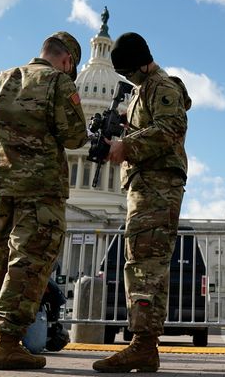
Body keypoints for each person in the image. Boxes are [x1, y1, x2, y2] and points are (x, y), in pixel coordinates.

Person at [0, 31, 88, 370]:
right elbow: (76, 135)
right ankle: (7, 342)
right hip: (41, 187)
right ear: (67, 61)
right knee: (29, 263)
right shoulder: (59, 82)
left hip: (1, 186)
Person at [92, 32, 191, 373]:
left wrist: (125, 146)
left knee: (145, 266)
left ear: (141, 63)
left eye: (129, 70)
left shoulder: (161, 87)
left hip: (156, 185)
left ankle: (142, 345)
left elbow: (171, 128)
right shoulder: (142, 91)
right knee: (143, 263)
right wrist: (122, 128)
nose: (128, 77)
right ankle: (144, 345)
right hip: (145, 185)